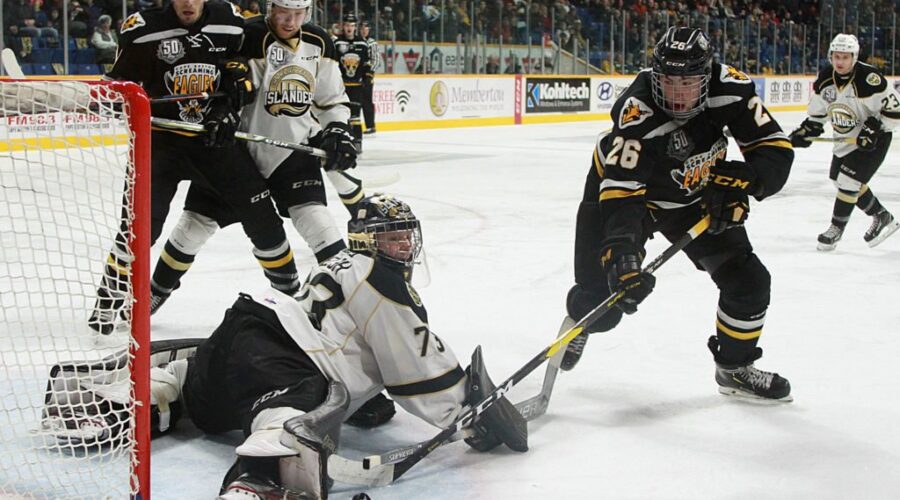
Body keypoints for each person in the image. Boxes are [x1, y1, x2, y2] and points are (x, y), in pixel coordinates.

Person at [41, 195, 527, 498]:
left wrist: (365, 401)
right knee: (291, 414)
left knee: (203, 392)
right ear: (367, 241)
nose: (401, 246)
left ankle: (140, 400)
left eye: (405, 236)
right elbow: (415, 362)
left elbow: (345, 337)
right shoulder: (380, 279)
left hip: (247, 327)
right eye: (391, 237)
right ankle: (260, 477)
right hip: (282, 361)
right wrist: (469, 412)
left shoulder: (339, 264)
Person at [561, 27, 794, 402]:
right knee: (604, 303)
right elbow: (623, 193)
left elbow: (775, 149)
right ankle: (578, 321)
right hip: (627, 196)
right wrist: (623, 254)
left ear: (707, 76)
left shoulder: (732, 90)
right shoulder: (637, 112)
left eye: (688, 83)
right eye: (669, 82)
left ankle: (734, 369)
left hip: (692, 198)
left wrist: (744, 181)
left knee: (749, 282)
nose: (677, 93)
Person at [88, 0, 301, 334]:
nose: (188, 3)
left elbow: (241, 73)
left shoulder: (230, 21)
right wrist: (112, 99)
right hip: (161, 144)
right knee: (141, 229)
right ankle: (109, 300)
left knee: (263, 218)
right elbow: (118, 85)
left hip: (212, 141)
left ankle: (293, 299)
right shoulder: (142, 28)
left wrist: (227, 107)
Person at [145, 0, 365, 314]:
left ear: (308, 12)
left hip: (291, 151)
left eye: (298, 14)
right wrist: (223, 111)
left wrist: (337, 129)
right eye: (283, 13)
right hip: (237, 155)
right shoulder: (246, 34)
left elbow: (331, 100)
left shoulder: (319, 43)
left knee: (317, 222)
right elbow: (219, 82)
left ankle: (353, 300)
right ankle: (156, 292)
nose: (290, 22)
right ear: (269, 8)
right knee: (192, 228)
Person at [789, 33, 900, 251]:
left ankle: (835, 229)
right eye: (836, 56)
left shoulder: (870, 79)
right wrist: (808, 129)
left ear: (854, 57)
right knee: (839, 180)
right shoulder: (825, 79)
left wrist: (876, 129)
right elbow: (819, 112)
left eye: (845, 57)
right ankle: (882, 216)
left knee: (848, 180)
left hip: (873, 140)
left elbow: (895, 111)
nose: (840, 62)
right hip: (845, 139)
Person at [333, 13, 372, 152]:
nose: (349, 28)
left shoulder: (362, 43)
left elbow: (367, 63)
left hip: (356, 87)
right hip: (341, 87)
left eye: (352, 25)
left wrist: (368, 77)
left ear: (355, 27)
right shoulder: (337, 43)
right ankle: (342, 143)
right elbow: (332, 64)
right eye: (347, 25)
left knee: (355, 117)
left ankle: (357, 142)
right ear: (343, 26)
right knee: (340, 115)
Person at [359, 20, 378, 134]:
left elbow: (375, 60)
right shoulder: (357, 42)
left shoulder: (372, 43)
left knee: (367, 101)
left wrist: (370, 74)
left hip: (367, 76)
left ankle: (370, 125)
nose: (363, 31)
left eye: (365, 28)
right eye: (362, 28)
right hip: (355, 76)